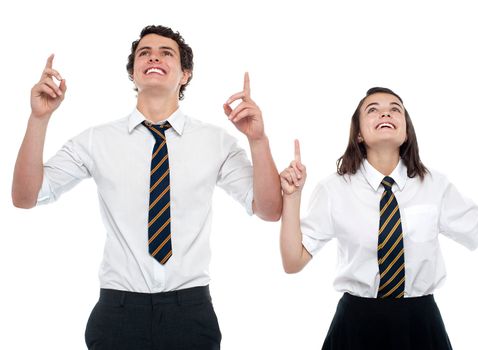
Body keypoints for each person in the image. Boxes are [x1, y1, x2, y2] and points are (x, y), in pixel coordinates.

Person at [12, 25, 282, 350]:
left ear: (185, 75)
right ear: (133, 73)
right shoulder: (97, 140)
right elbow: (25, 197)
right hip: (118, 314)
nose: (154, 56)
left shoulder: (215, 142)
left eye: (166, 53)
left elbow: (269, 209)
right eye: (145, 52)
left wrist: (257, 140)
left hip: (191, 314)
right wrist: (39, 119)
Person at [279, 87, 478, 349]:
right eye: (373, 109)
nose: (385, 113)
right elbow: (292, 261)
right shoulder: (334, 189)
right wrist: (292, 199)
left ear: (405, 132)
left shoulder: (434, 186)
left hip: (420, 325)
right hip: (355, 326)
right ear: (358, 133)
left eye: (395, 109)